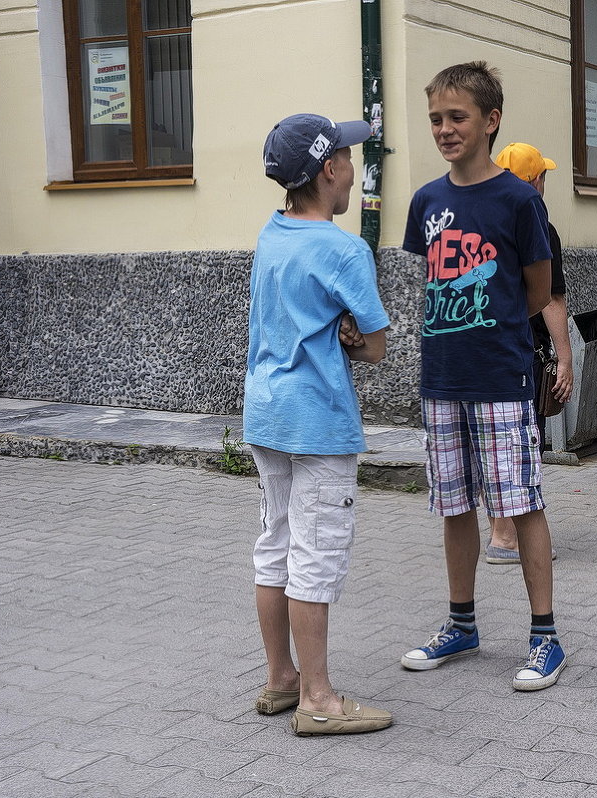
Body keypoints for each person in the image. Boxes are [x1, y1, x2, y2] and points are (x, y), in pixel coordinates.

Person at [399, 61, 566, 691]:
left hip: (501, 375)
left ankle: (545, 637)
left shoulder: (519, 200)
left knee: (521, 502)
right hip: (442, 376)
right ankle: (461, 624)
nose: (445, 129)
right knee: (453, 504)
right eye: (437, 118)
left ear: (490, 121)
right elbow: (430, 281)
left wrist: (494, 328)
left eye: (457, 117)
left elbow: (538, 290)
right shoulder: (427, 201)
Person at [245, 113, 392, 735]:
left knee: (275, 545)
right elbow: (378, 346)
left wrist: (331, 330)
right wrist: (349, 340)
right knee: (315, 555)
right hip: (317, 421)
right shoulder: (343, 248)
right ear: (329, 169)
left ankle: (281, 677)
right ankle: (319, 700)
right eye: (348, 160)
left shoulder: (270, 234)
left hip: (266, 410)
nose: (353, 171)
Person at [485, 142, 573, 564]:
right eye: (544, 175)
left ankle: (497, 530)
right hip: (520, 351)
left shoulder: (481, 222)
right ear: (536, 180)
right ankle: (506, 538)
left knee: (490, 441)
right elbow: (551, 300)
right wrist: (566, 359)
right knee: (521, 443)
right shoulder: (539, 226)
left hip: (482, 347)